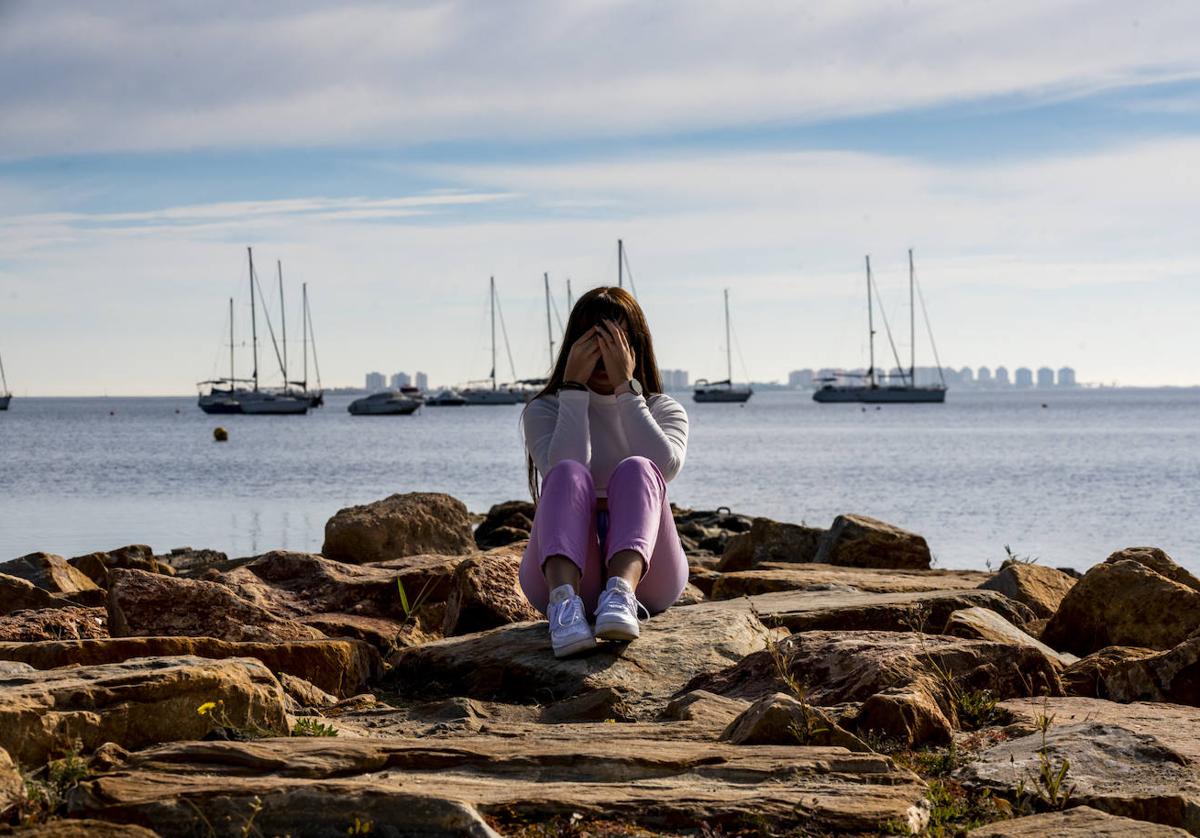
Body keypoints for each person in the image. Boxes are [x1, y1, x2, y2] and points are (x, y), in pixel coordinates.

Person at [520, 286, 689, 658]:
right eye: (593, 340)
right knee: (566, 473)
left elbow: (664, 468)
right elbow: (561, 469)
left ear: (635, 346)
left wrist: (627, 390)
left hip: (650, 577)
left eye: (614, 340)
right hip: (555, 576)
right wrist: (574, 390)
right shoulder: (545, 410)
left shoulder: (663, 409)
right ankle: (564, 607)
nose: (602, 353)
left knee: (639, 468)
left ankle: (621, 594)